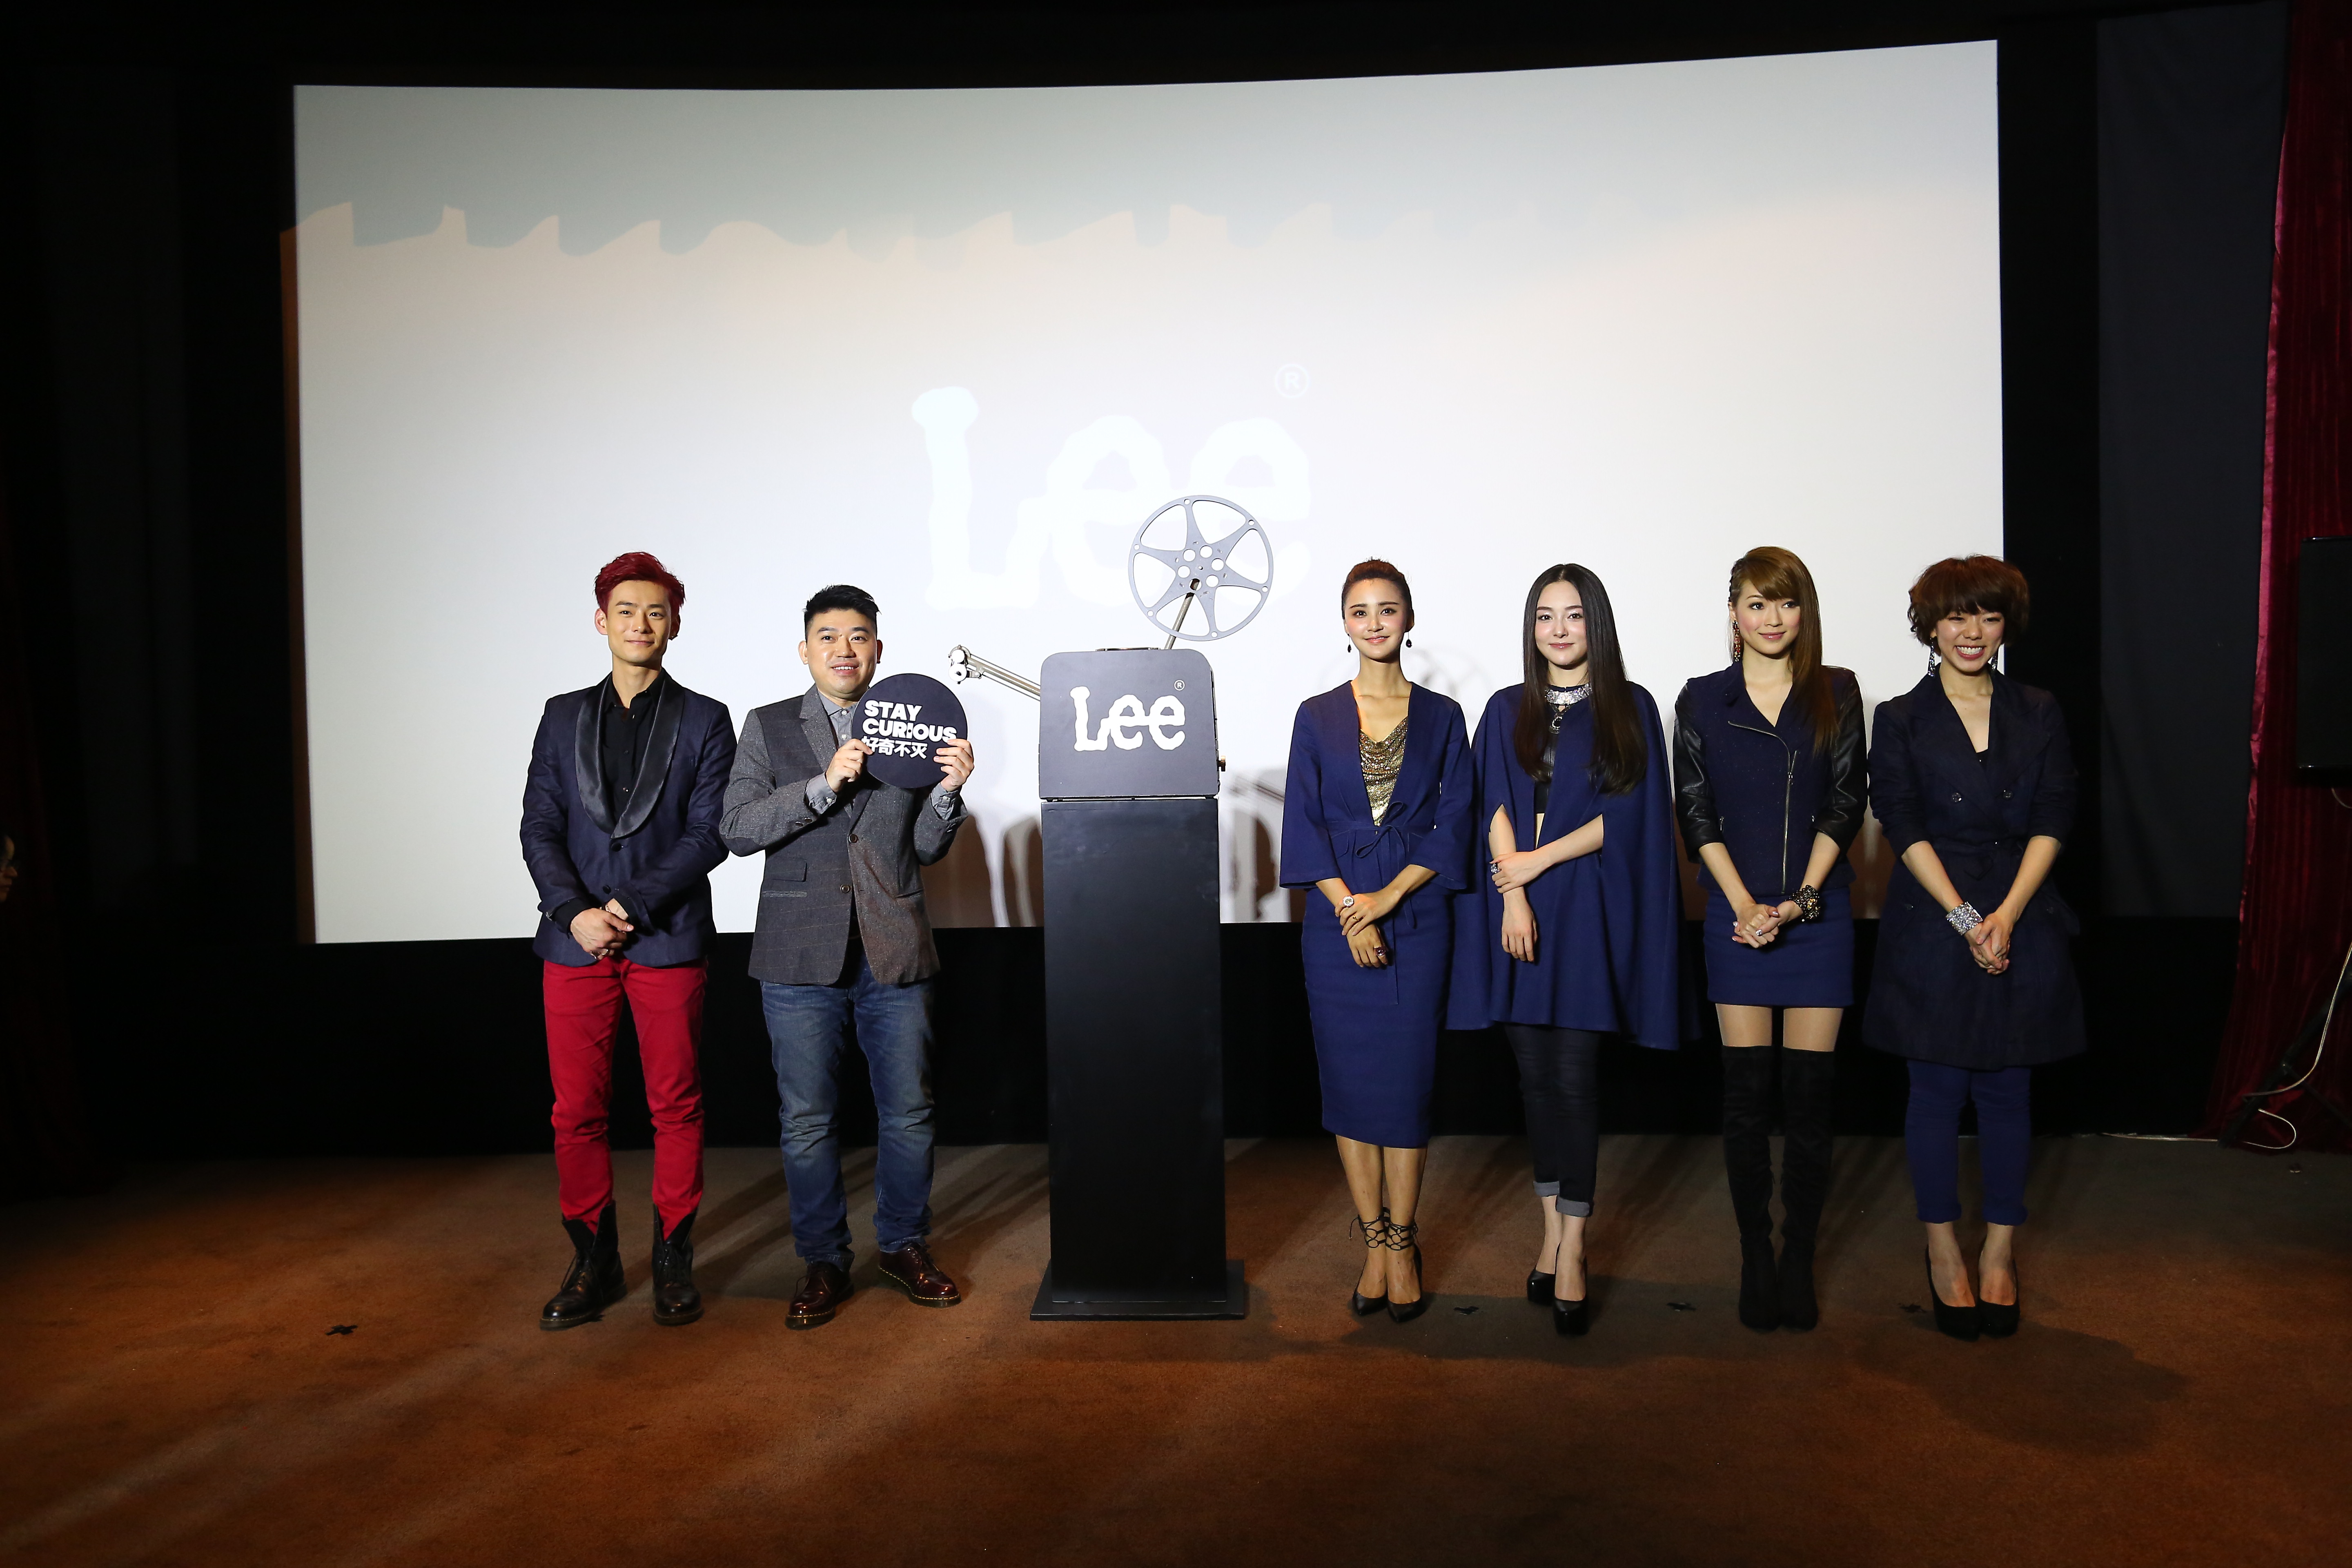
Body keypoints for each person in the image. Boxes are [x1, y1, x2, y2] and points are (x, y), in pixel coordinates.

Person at [722, 584, 976, 1330]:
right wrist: (821, 785)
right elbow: (737, 828)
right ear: (806, 651)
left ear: (878, 651)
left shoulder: (917, 726)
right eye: (829, 636)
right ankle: (823, 1260)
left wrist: (947, 794)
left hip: (894, 950)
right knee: (807, 1120)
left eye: (858, 636)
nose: (844, 649)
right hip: (798, 955)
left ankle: (902, 1245)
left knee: (910, 1113)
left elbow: (924, 849)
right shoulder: (769, 726)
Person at [1450, 564, 1680, 1336]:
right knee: (1536, 1082)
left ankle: (1574, 1246)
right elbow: (1488, 802)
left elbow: (1634, 816)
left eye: (1574, 616)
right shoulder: (1504, 707)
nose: (1558, 630)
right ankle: (1550, 1232)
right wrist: (1513, 892)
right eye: (1545, 616)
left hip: (1586, 906)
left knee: (1575, 1080)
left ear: (1596, 624)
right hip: (1513, 906)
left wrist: (1538, 864)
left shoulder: (1631, 706)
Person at [1864, 556, 2081, 1341]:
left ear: (2005, 626)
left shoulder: (2039, 708)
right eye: (1957, 616)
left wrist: (2007, 916)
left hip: (2021, 914)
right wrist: (1965, 918)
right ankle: (1942, 1248)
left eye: (1988, 617)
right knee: (1935, 1093)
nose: (1973, 632)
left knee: (2008, 1093)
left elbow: (2055, 813)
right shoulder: (1901, 717)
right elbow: (1900, 821)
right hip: (1934, 919)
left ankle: (1998, 1250)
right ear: (1931, 625)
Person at [519, 552, 736, 1330]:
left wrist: (627, 905)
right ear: (601, 620)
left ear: (673, 624)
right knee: (576, 1110)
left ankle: (673, 1259)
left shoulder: (706, 718)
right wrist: (575, 911)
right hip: (573, 942)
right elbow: (539, 826)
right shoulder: (561, 714)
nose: (640, 624)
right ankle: (594, 1259)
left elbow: (710, 833)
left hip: (666, 937)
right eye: (626, 610)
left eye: (655, 612)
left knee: (675, 1105)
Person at [1672, 546, 1866, 1333]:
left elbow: (1847, 802)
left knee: (1811, 1104)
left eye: (1786, 603)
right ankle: (1757, 1254)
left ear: (1803, 611)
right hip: (1737, 920)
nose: (1772, 618)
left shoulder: (1838, 691)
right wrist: (1748, 905)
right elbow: (1695, 813)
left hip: (1817, 919)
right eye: (1757, 603)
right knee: (1748, 1101)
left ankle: (1799, 1257)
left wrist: (1801, 901)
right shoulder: (1702, 699)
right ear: (1734, 613)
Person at [1279, 560, 1474, 1324]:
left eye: (1387, 610)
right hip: (1335, 930)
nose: (1374, 623)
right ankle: (1373, 1240)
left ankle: (1404, 1240)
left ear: (1408, 619)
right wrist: (1349, 912)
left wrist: (1386, 900)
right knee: (1351, 1088)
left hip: (1416, 920)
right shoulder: (1315, 715)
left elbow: (1455, 821)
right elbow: (1304, 823)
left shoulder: (1445, 717)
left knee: (1407, 1087)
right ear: (1345, 623)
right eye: (1360, 611)